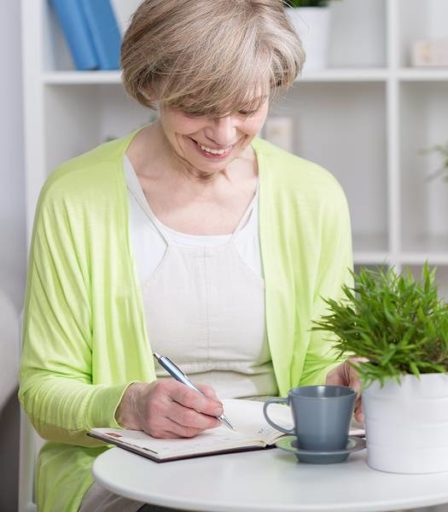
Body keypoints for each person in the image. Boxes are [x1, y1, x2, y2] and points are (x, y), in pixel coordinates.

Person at [18, 1, 362, 510]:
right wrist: (128, 405)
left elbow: (319, 361)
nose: (224, 136)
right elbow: (45, 394)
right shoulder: (76, 196)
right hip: (128, 476)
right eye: (198, 107)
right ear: (152, 85)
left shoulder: (314, 196)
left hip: (279, 467)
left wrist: (341, 384)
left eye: (247, 109)